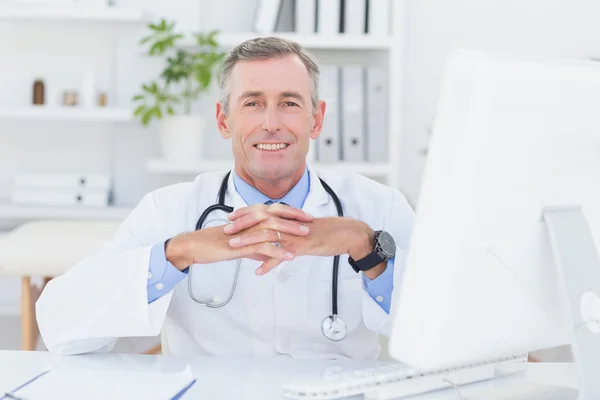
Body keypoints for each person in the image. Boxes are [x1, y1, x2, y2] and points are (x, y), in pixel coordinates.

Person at [36, 37, 415, 360]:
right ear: (223, 120)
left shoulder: (379, 207)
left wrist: (368, 251)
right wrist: (176, 254)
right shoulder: (168, 211)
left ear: (316, 120)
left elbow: (442, 329)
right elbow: (59, 325)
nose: (271, 122)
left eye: (290, 103)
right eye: (252, 103)